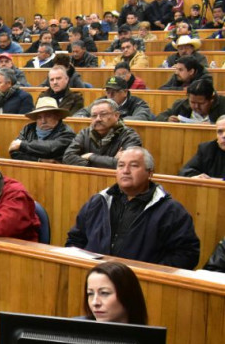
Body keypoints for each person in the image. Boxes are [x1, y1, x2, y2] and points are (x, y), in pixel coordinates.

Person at [66, 148, 200, 269]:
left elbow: (187, 253)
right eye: (121, 165)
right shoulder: (97, 202)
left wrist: (153, 273)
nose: (125, 171)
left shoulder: (171, 211)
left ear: (150, 173)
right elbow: (75, 240)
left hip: (143, 285)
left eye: (134, 166)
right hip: (94, 277)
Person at [63, 98, 143, 168]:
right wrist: (111, 162)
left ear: (116, 115)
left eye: (103, 114)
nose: (98, 119)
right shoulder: (84, 133)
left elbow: (126, 164)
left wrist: (90, 156)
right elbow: (68, 157)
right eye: (94, 115)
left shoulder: (129, 136)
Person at [9, 96, 76, 163]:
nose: (43, 121)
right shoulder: (28, 129)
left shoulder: (67, 133)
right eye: (39, 117)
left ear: (57, 116)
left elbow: (51, 149)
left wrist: (22, 145)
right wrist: (39, 160)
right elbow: (14, 153)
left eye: (48, 116)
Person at [73, 77, 153, 121]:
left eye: (114, 92)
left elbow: (141, 118)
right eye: (108, 92)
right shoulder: (101, 101)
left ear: (125, 92)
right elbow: (81, 113)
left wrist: (111, 121)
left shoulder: (138, 103)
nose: (110, 95)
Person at [156, 78, 225, 123]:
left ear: (211, 99)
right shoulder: (181, 104)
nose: (196, 106)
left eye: (201, 103)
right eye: (192, 102)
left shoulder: (223, 104)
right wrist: (167, 120)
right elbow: (159, 117)